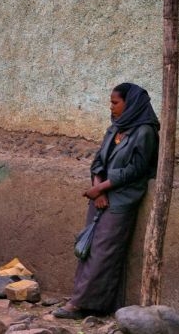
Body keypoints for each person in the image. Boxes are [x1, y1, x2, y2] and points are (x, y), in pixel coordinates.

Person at [53, 83, 160, 319]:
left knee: (104, 250)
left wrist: (103, 187)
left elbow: (137, 169)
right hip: (100, 196)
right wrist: (98, 190)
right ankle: (85, 300)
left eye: (115, 103)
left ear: (129, 104)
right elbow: (98, 162)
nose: (111, 107)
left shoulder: (145, 132)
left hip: (122, 198)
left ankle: (80, 304)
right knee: (88, 247)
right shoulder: (114, 129)